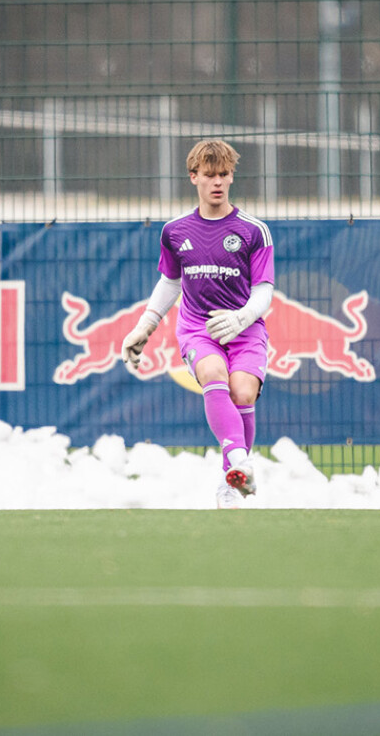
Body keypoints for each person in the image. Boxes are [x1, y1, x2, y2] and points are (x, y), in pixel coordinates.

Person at [121, 139, 275, 509]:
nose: (218, 182)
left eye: (224, 174)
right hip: (197, 328)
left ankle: (231, 483)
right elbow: (171, 281)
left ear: (232, 176)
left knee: (242, 393)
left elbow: (264, 291)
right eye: (209, 175)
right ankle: (239, 465)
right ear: (194, 177)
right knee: (212, 371)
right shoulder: (175, 230)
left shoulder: (254, 231)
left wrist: (241, 318)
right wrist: (144, 326)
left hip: (245, 329)